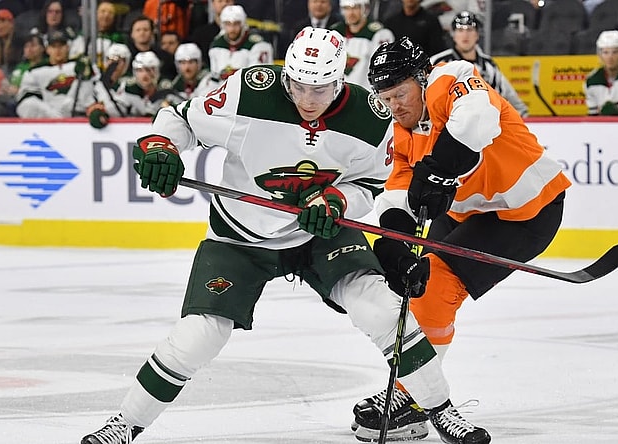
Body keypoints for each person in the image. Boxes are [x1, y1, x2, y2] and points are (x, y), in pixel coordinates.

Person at [80, 26, 488, 444]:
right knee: (198, 336)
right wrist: (160, 146)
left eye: (320, 89)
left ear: (340, 80)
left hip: (319, 232)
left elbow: (370, 184)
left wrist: (336, 201)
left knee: (381, 309)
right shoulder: (250, 93)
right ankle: (124, 424)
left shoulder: (370, 117)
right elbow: (180, 118)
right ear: (286, 76)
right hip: (240, 236)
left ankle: (441, 410)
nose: (308, 100)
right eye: (298, 87)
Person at [349, 36, 570, 442]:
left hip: (525, 209)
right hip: (465, 212)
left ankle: (409, 399)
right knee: (416, 287)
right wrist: (395, 250)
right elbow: (397, 197)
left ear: (421, 78)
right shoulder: (399, 133)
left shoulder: (451, 77)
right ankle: (416, 390)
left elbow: (476, 121)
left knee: (436, 286)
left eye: (400, 93)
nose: (395, 105)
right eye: (385, 97)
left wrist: (436, 169)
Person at [431, 11, 529, 117]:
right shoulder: (438, 63)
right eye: (460, 30)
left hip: (486, 123)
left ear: (477, 34)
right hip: (448, 122)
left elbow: (516, 104)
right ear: (453, 35)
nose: (465, 35)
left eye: (470, 30)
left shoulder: (489, 66)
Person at [15, 30, 120, 125]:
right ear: (47, 49)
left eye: (61, 45)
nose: (58, 50)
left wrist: (86, 75)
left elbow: (99, 90)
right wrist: (55, 116)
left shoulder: (81, 65)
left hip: (81, 118)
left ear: (68, 47)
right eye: (54, 46)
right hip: (49, 120)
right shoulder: (35, 72)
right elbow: (26, 103)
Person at [331, 0, 394, 89]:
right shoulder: (335, 32)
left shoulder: (379, 33)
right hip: (340, 91)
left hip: (366, 91)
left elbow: (382, 70)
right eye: (347, 8)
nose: (351, 13)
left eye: (355, 8)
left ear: (365, 8)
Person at [207, 5, 273, 84]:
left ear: (243, 24)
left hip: (247, 89)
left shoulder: (259, 45)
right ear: (222, 25)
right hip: (223, 89)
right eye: (228, 24)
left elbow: (258, 80)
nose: (232, 29)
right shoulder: (216, 45)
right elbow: (215, 78)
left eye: (236, 24)